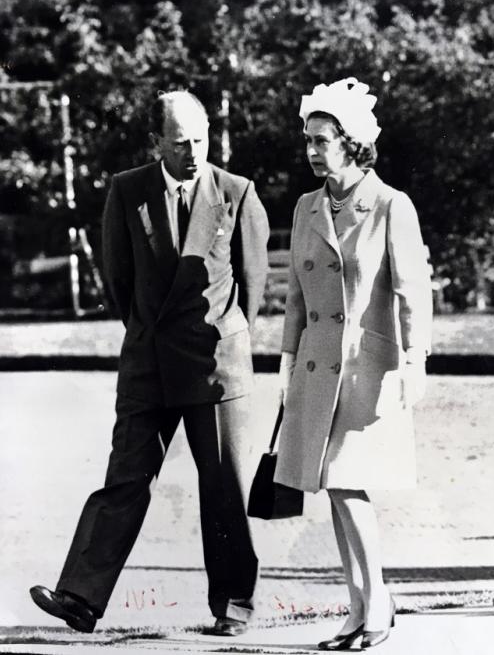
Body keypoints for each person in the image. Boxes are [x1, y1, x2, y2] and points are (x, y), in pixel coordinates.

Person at [30, 90, 269, 637]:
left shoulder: (237, 192)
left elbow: (252, 288)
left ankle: (233, 605)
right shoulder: (127, 190)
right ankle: (81, 598)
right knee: (124, 479)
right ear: (156, 140)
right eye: (180, 141)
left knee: (225, 488)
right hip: (148, 364)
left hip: (215, 366)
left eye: (200, 139)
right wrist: (146, 337)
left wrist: (225, 337)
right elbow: (119, 283)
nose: (192, 151)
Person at [275, 78, 432, 650]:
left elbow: (415, 289)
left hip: (368, 372)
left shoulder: (391, 205)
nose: (311, 150)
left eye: (322, 140)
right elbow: (295, 291)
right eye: (308, 140)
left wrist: (416, 360)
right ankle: (360, 606)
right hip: (318, 368)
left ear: (352, 142)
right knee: (334, 489)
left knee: (347, 484)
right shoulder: (305, 207)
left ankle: (379, 604)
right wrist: (288, 360)